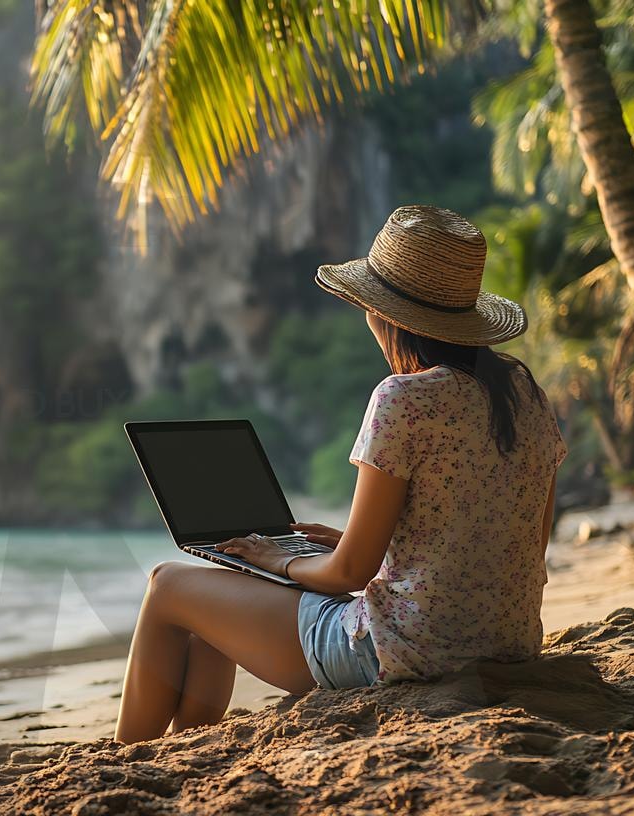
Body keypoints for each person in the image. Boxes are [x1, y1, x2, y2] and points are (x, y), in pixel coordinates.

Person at [114, 205, 568, 744]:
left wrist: (278, 559)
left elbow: (351, 572)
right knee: (220, 604)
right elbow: (522, 542)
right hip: (509, 644)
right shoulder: (524, 393)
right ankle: (183, 744)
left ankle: (128, 753)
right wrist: (364, 545)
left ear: (387, 316)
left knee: (167, 584)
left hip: (405, 653)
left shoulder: (404, 397)